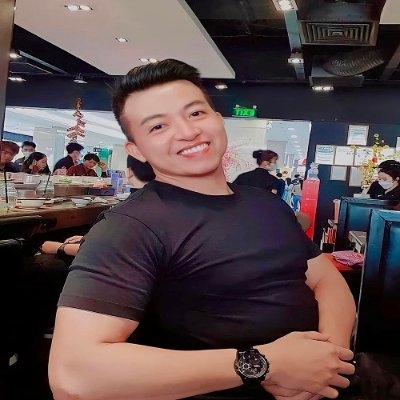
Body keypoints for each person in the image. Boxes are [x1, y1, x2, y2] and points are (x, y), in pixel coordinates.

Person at [49, 59, 356, 400]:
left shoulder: (266, 204)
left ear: (217, 118)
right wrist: (264, 364)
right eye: (158, 126)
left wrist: (329, 363)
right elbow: (73, 375)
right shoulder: (130, 226)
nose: (187, 131)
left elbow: (327, 280)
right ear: (136, 150)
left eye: (195, 113)